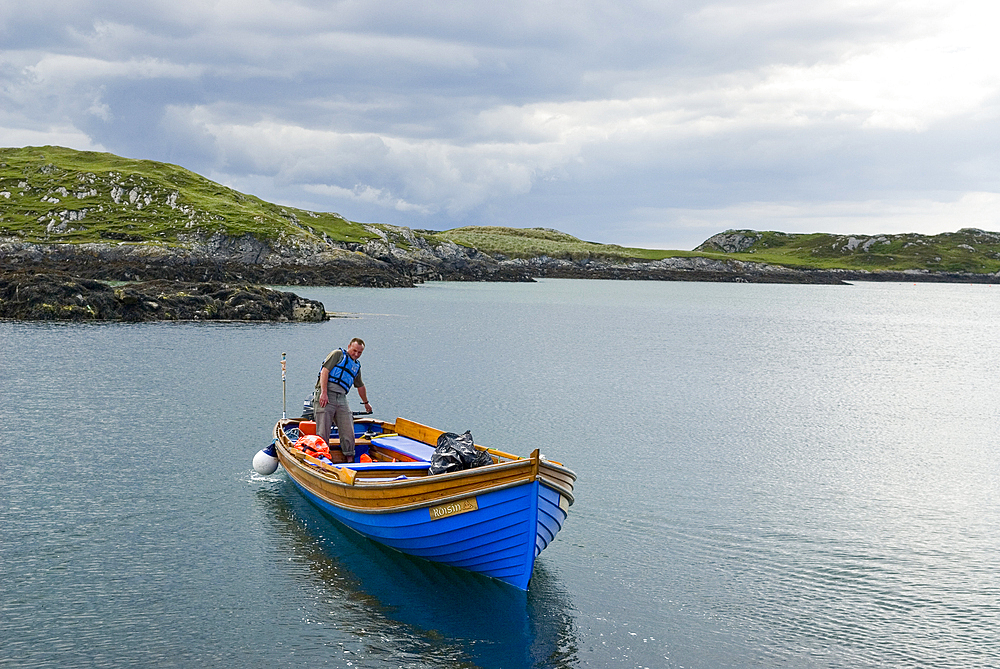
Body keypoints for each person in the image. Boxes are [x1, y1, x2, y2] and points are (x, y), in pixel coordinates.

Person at [314, 337, 371, 463]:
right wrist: (323, 393)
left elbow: (360, 385)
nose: (356, 354)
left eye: (359, 352)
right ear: (349, 346)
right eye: (354, 350)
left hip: (341, 397)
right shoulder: (338, 355)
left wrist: (366, 403)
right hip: (326, 393)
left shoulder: (356, 366)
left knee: (348, 428)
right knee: (323, 429)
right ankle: (322, 459)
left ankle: (349, 458)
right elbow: (325, 371)